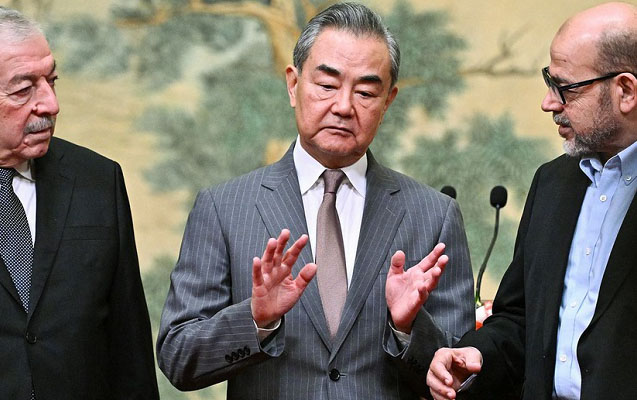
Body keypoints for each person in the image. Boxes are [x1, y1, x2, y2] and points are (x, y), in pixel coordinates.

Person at [157, 2, 474, 399]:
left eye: (365, 92)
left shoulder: (434, 215)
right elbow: (178, 356)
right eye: (326, 86)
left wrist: (408, 328)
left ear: (388, 101)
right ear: (293, 85)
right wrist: (256, 320)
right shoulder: (223, 208)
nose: (343, 106)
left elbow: (463, 374)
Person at [427, 2, 637, 400]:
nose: (549, 103)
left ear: (625, 91)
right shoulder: (552, 183)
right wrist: (476, 355)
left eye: (566, 87)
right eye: (548, 81)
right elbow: (520, 318)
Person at [0, 7, 159, 399]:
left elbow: (130, 351)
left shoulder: (98, 180)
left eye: (51, 81)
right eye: (24, 90)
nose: (50, 104)